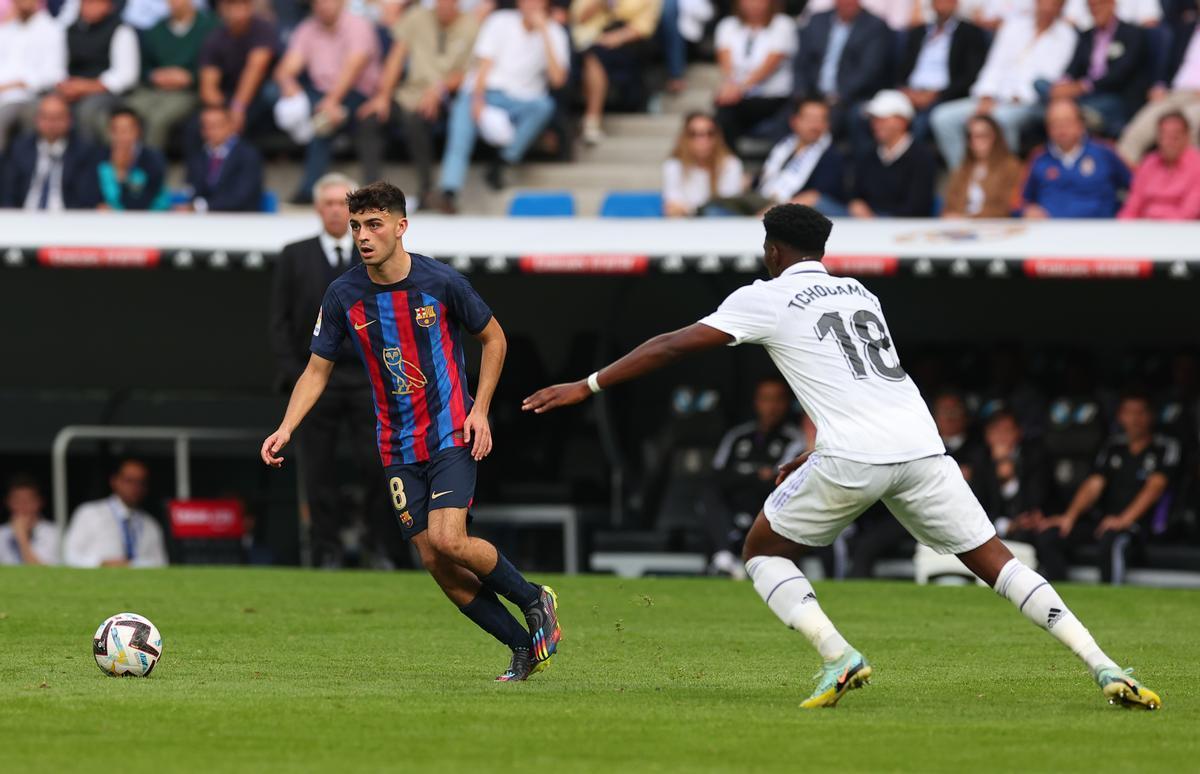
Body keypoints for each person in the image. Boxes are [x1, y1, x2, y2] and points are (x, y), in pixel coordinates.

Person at [523, 203, 1161, 711]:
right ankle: (1105, 664)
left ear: (773, 249)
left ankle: (837, 653)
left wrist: (589, 385)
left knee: (763, 552)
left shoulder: (765, 296)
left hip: (856, 455)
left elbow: (671, 345)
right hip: (919, 446)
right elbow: (858, 386)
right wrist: (815, 452)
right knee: (994, 561)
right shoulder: (859, 293)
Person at [260, 181, 562, 682]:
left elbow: (494, 338)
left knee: (449, 538)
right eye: (357, 226)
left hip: (449, 433)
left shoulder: (441, 282)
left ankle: (534, 599)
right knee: (434, 560)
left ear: (401, 227)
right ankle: (522, 645)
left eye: (374, 224)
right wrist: (286, 427)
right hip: (396, 445)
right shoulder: (342, 294)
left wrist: (480, 409)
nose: (363, 235)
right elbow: (317, 370)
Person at [269, 173, 404, 568]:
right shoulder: (294, 255)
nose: (333, 210)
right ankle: (325, 548)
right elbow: (279, 322)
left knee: (379, 464)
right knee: (318, 469)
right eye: (326, 203)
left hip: (368, 381)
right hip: (315, 379)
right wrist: (297, 373)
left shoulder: (374, 253)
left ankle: (379, 544)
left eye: (339, 204)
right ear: (317, 208)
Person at [436, 0, 569, 210]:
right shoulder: (500, 21)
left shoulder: (555, 32)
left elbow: (558, 80)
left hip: (520, 100)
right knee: (461, 130)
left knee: (544, 106)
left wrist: (545, 31)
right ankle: (449, 191)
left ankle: (503, 162)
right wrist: (478, 100)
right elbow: (483, 65)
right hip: (485, 91)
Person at [1036, 393, 1180, 583]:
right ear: (1120, 416)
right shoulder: (1113, 446)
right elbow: (1094, 484)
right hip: (1105, 522)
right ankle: (1058, 600)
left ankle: (1111, 600)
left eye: (1141, 412)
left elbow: (1155, 487)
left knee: (1112, 542)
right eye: (1129, 412)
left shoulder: (1165, 447)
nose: (1135, 419)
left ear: (1151, 416)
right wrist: (1069, 517)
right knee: (1050, 536)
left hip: (1140, 528)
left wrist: (1124, 520)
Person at [358, 0, 479, 207]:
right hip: (409, 92)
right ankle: (371, 195)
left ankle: (426, 190)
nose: (444, 6)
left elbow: (469, 73)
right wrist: (383, 96)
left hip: (446, 97)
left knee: (417, 120)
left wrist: (438, 90)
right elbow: (396, 56)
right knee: (370, 119)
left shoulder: (472, 26)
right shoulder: (417, 16)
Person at [930, 0, 1077, 167]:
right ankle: (965, 177)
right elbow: (994, 65)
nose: (1047, 7)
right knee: (942, 118)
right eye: (1043, 2)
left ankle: (1004, 180)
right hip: (993, 98)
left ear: (1062, 6)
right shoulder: (1014, 26)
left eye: (1053, 3)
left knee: (1001, 119)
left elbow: (1050, 77)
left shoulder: (1066, 35)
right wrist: (986, 95)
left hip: (1030, 103)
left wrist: (1015, 97)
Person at [273, 0, 381, 204]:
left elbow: (353, 68)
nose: (323, 5)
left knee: (324, 122)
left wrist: (332, 101)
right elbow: (286, 68)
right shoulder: (307, 28)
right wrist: (287, 83)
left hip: (357, 93)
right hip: (320, 93)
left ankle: (308, 191)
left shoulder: (358, 25)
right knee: (278, 97)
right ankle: (304, 130)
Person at [708, 377, 805, 577]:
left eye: (777, 400)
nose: (771, 406)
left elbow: (781, 482)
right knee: (710, 494)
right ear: (756, 402)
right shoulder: (738, 436)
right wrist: (756, 475)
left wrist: (746, 475)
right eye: (765, 399)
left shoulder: (794, 439)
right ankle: (724, 557)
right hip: (734, 506)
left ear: (787, 403)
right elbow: (717, 475)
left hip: (768, 510)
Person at [700, 98, 845, 217]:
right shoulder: (782, 147)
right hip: (764, 202)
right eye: (809, 118)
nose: (815, 125)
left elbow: (816, 197)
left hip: (796, 214)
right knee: (714, 211)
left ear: (827, 124)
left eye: (820, 119)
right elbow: (766, 179)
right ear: (794, 121)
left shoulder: (832, 156)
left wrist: (777, 209)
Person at [124, 0, 217, 149]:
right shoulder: (157, 28)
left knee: (158, 118)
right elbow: (144, 66)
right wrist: (153, 75)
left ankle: (149, 166)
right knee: (126, 111)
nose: (175, 3)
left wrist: (190, 77)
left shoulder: (209, 26)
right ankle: (119, 163)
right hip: (155, 89)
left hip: (189, 92)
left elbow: (214, 65)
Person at [1048, 0, 1148, 137]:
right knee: (1041, 84)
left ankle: (1066, 111)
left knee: (1065, 103)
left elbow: (1120, 74)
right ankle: (1074, 111)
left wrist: (1083, 86)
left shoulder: (1131, 33)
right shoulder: (1086, 36)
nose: (1095, 10)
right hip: (1082, 95)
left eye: (1099, 4)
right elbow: (1073, 67)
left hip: (1113, 95)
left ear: (1112, 4)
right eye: (1091, 6)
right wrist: (1062, 85)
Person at [894, 0, 989, 144]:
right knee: (873, 115)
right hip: (910, 94)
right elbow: (901, 68)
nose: (941, 5)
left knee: (920, 123)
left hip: (944, 96)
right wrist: (906, 91)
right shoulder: (918, 32)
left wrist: (936, 94)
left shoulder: (970, 32)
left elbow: (971, 75)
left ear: (956, 4)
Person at [1022, 98, 1130, 218]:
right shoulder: (1039, 158)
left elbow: (1134, 188)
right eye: (1055, 123)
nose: (1061, 128)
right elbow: (1027, 200)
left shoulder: (1104, 153)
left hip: (1098, 230)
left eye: (1067, 122)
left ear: (1080, 124)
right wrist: (1029, 210)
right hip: (1052, 231)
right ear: (1047, 128)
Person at [798, 0, 892, 138]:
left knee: (824, 122)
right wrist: (801, 94)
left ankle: (819, 158)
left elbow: (869, 70)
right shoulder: (817, 20)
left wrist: (837, 97)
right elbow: (801, 62)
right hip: (813, 95)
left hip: (850, 98)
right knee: (786, 120)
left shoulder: (875, 26)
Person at [572, 0, 662, 145]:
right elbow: (579, 18)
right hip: (589, 40)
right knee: (589, 56)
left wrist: (616, 37)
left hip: (629, 43)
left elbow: (645, 26)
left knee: (593, 57)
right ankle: (590, 121)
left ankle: (591, 120)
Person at [711, 0, 798, 149]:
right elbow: (726, 62)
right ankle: (728, 164)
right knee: (723, 111)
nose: (754, 4)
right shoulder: (727, 25)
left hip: (774, 97)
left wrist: (739, 88)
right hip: (739, 97)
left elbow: (770, 64)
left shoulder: (783, 24)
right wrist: (731, 86)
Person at [1117, 20, 1200, 164]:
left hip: (1197, 102)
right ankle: (1128, 182)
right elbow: (1168, 66)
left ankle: (1188, 182)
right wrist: (1160, 85)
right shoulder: (1187, 28)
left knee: (1182, 128)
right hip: (1174, 94)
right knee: (1136, 131)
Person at [0, 93, 100, 210]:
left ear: (69, 120)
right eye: (46, 117)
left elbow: (86, 198)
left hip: (68, 220)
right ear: (37, 119)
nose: (51, 123)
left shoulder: (84, 152)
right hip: (23, 218)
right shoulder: (19, 148)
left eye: (57, 117)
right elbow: (8, 193)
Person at [57, 0, 139, 142]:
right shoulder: (71, 29)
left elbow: (126, 76)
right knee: (48, 106)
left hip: (107, 93)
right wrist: (66, 86)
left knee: (87, 111)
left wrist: (88, 87)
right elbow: (58, 66)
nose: (89, 7)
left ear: (107, 6)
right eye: (85, 3)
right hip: (72, 88)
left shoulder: (121, 30)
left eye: (94, 3)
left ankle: (87, 158)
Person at [846, 90, 935, 218]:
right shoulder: (868, 155)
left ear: (902, 121)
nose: (876, 124)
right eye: (874, 119)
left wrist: (876, 219)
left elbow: (918, 207)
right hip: (864, 224)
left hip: (902, 228)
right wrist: (856, 204)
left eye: (883, 119)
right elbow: (856, 193)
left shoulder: (922, 157)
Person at [64, 458, 169, 568]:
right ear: (114, 481)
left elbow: (161, 564)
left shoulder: (150, 524)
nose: (135, 487)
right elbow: (69, 555)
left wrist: (132, 565)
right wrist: (101, 563)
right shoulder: (89, 513)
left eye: (141, 482)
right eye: (129, 481)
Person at [197, 0, 278, 137]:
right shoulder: (214, 38)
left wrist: (238, 107)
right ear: (223, 10)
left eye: (242, 6)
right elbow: (208, 86)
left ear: (250, 7)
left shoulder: (263, 29)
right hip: (227, 96)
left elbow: (255, 69)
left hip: (259, 94)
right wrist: (222, 112)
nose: (238, 12)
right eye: (233, 6)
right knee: (198, 127)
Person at [0, 0, 66, 152]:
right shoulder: (6, 30)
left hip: (27, 97)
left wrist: (19, 84)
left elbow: (54, 75)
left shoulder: (52, 29)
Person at [973, 410, 1049, 541]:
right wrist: (1006, 526)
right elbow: (977, 505)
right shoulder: (979, 460)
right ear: (987, 435)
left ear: (1019, 433)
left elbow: (1034, 502)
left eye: (1007, 431)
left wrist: (1010, 479)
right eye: (996, 431)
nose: (1001, 437)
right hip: (991, 528)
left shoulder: (1034, 457)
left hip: (1028, 527)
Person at [1118, 111, 1200, 219]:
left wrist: (1154, 219)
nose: (1168, 142)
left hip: (1183, 231)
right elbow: (1133, 204)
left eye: (1175, 136)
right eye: (1164, 136)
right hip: (1144, 229)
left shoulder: (1197, 164)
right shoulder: (1149, 162)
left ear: (1186, 137)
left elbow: (1188, 213)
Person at [182, 103, 263, 211]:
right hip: (204, 220)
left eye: (216, 125)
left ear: (231, 125)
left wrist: (201, 206)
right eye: (206, 126)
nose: (210, 131)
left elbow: (243, 195)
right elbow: (194, 188)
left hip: (241, 219)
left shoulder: (247, 154)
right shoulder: (200, 154)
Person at [662, 111, 744, 217]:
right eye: (694, 134)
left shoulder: (731, 165)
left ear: (717, 137)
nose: (703, 140)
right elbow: (672, 208)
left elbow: (729, 205)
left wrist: (690, 210)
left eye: (710, 133)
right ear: (685, 138)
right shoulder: (673, 166)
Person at [941, 114, 1023, 218]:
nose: (976, 142)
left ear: (995, 137)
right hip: (960, 229)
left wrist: (967, 218)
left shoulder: (1011, 167)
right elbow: (949, 205)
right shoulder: (962, 169)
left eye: (982, 136)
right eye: (971, 137)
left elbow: (1009, 206)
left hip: (995, 228)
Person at [97, 106, 169, 210]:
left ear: (138, 131)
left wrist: (121, 173)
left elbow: (140, 206)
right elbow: (92, 198)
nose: (121, 136)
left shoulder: (153, 160)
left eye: (126, 130)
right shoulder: (99, 158)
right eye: (116, 130)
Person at [0, 475, 60, 566]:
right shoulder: (2, 533)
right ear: (8, 503)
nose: (23, 507)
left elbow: (44, 573)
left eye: (28, 501)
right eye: (17, 501)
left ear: (40, 502)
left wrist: (22, 537)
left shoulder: (53, 533)